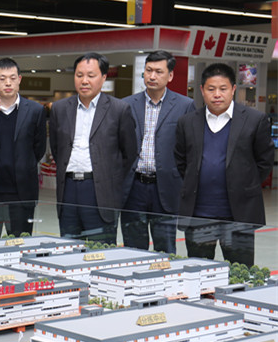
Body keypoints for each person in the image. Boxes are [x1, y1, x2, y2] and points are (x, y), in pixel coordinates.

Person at [175, 63, 273, 266]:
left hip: (238, 216)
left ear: (233, 89)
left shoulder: (254, 120)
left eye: (223, 88)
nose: (217, 94)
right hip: (199, 217)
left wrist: (245, 186)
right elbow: (181, 160)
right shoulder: (187, 122)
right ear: (202, 90)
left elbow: (264, 161)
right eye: (211, 89)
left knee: (240, 273)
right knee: (199, 272)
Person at [49, 52, 137, 244]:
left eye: (91, 75)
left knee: (101, 250)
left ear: (103, 77)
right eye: (79, 75)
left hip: (100, 192)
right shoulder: (59, 109)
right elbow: (57, 148)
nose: (84, 81)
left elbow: (129, 153)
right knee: (69, 248)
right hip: (68, 189)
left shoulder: (119, 109)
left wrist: (108, 176)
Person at [120, 51, 195, 253]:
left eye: (158, 72)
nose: (152, 76)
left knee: (165, 249)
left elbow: (191, 150)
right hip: (133, 187)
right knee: (132, 249)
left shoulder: (185, 106)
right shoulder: (126, 105)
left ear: (170, 76)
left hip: (166, 188)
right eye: (149, 70)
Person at [0, 58, 47, 239]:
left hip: (22, 193)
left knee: (20, 245)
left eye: (12, 78)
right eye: (2, 78)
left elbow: (39, 149)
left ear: (19, 79)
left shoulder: (35, 111)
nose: (8, 83)